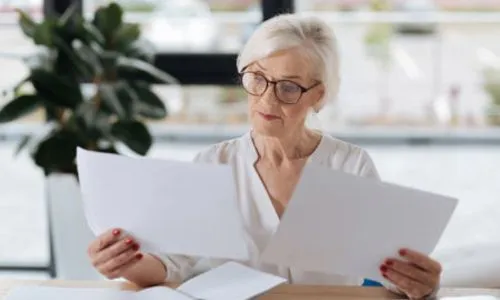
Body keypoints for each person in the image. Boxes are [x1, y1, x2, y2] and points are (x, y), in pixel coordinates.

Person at [87, 14, 442, 299]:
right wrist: (124, 263)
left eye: (288, 87)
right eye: (257, 79)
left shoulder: (351, 165)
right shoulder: (214, 164)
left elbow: (385, 269)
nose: (267, 100)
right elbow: (172, 264)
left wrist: (421, 283)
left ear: (317, 95)